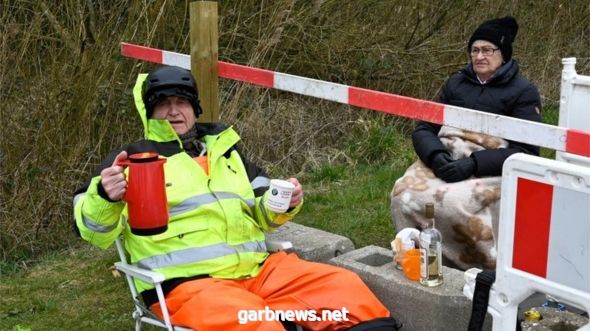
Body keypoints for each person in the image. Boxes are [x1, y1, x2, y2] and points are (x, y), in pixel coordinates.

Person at [74, 65, 400, 331]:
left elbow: (263, 214)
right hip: (190, 286)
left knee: (346, 292)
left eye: (181, 102)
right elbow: (91, 229)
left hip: (261, 273)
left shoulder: (226, 151)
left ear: (194, 108)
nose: (174, 111)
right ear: (150, 112)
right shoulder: (130, 160)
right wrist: (105, 195)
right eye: (163, 103)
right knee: (258, 325)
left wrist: (283, 202)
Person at [391, 16, 542, 270]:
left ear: (502, 54)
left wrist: (473, 164)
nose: (480, 56)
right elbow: (425, 128)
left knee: (451, 203)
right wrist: (437, 156)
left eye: (487, 50)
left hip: (489, 166)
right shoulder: (456, 83)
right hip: (446, 155)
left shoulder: (523, 92)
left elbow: (526, 151)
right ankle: (415, 256)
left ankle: (477, 267)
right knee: (403, 193)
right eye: (475, 50)